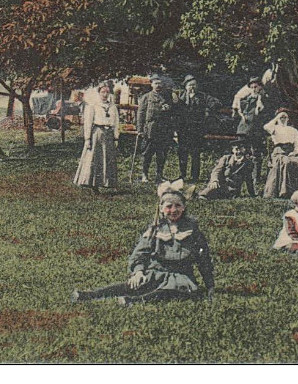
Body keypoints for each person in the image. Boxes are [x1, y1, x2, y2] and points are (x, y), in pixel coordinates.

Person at [70, 181, 214, 306]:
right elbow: (139, 254)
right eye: (169, 206)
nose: (173, 210)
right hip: (156, 272)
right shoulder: (155, 229)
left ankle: (135, 301)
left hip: (181, 276)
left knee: (168, 292)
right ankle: (90, 295)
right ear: (162, 209)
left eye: (178, 206)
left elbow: (204, 259)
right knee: (132, 285)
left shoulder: (192, 230)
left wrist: (210, 286)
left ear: (183, 207)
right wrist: (138, 272)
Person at [73, 84, 121, 190]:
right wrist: (87, 139)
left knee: (108, 158)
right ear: (99, 93)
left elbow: (116, 122)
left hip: (109, 134)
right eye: (102, 92)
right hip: (97, 133)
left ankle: (107, 183)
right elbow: (88, 122)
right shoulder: (93, 106)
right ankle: (92, 183)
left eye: (107, 92)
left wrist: (116, 137)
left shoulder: (113, 107)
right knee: (96, 158)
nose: (105, 94)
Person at [176, 74, 219, 183]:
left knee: (195, 154)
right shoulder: (180, 97)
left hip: (197, 129)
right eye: (190, 85)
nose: (192, 87)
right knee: (182, 153)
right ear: (185, 86)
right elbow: (174, 110)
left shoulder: (202, 96)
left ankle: (195, 177)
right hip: (183, 129)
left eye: (194, 85)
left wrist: (209, 111)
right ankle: (182, 175)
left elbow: (216, 103)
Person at [136, 75, 176, 183]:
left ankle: (159, 175)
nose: (158, 85)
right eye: (156, 83)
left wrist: (168, 108)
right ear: (151, 84)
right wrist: (140, 129)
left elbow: (172, 112)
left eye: (160, 83)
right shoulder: (146, 97)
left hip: (163, 130)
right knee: (147, 153)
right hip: (150, 129)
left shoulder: (167, 97)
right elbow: (140, 114)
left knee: (161, 154)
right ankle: (144, 175)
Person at [262, 108, 298, 198]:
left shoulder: (293, 130)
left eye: (285, 117)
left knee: (296, 161)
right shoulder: (274, 128)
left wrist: (294, 152)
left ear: (288, 119)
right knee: (286, 161)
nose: (283, 119)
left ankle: (293, 191)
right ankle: (283, 192)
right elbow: (266, 127)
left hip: (290, 152)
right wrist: (276, 118)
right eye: (281, 117)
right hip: (279, 152)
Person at [235, 76, 268, 191]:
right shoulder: (246, 99)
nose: (254, 89)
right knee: (242, 153)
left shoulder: (264, 98)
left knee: (256, 154)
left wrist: (260, 100)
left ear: (260, 87)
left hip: (256, 129)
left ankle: (255, 177)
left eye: (256, 87)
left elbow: (263, 112)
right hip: (244, 129)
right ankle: (240, 175)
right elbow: (240, 109)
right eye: (252, 87)